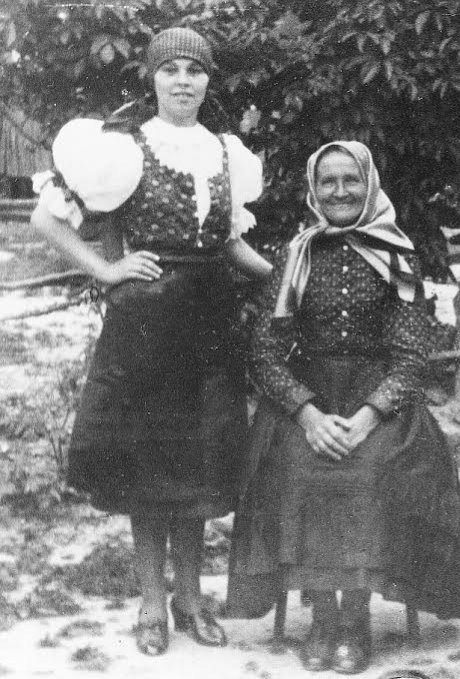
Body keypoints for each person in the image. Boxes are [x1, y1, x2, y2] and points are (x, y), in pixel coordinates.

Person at [29, 27, 272, 656]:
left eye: (195, 70)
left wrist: (283, 275)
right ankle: (150, 605)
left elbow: (230, 242)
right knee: (148, 465)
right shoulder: (122, 148)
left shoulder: (227, 153)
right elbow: (46, 219)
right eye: (171, 70)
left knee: (198, 464)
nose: (184, 81)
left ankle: (190, 599)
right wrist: (108, 270)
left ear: (209, 80)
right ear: (154, 78)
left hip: (209, 324)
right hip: (146, 324)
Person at [226, 141, 460, 674]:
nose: (339, 192)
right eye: (328, 182)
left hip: (378, 401)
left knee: (369, 468)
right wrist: (306, 413)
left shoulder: (396, 254)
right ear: (314, 190)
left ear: (369, 185)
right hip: (308, 397)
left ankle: (355, 617)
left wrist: (368, 417)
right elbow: (264, 351)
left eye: (350, 180)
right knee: (297, 464)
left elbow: (412, 354)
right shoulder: (296, 255)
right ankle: (323, 616)